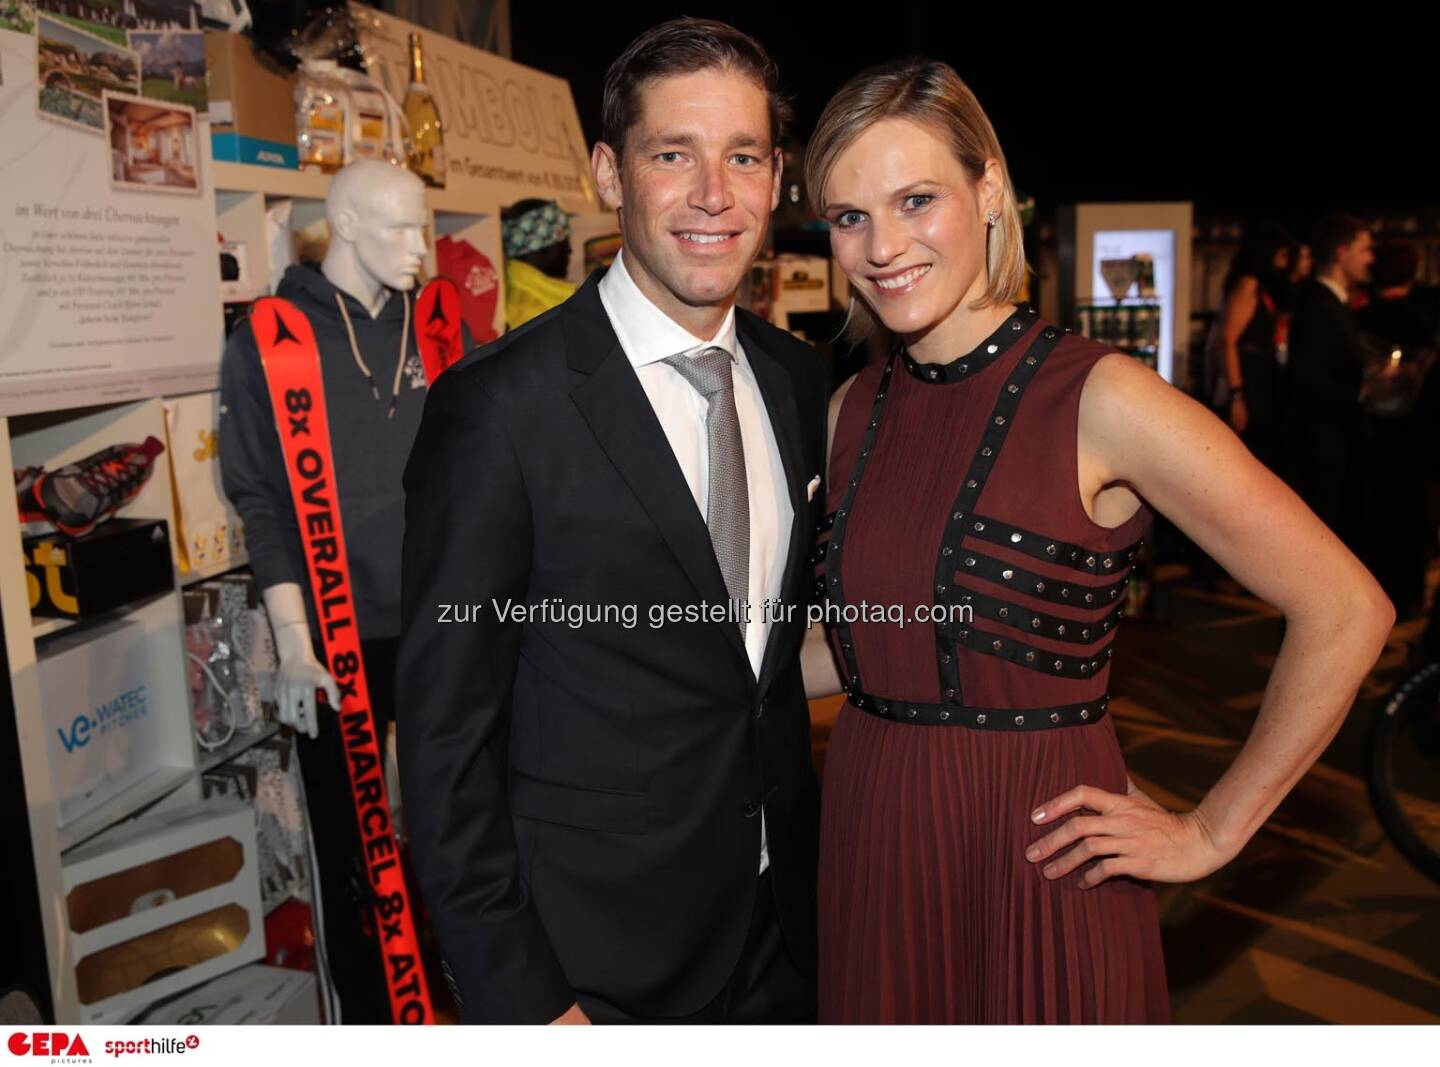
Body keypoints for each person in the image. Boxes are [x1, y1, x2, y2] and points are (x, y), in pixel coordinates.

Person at [799, 59, 1394, 1024]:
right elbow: (867, 640)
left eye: (916, 199)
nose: (882, 245)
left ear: (989, 190)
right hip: (873, 834)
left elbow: (1347, 607)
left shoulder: (1102, 397)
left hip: (1041, 854)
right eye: (849, 215)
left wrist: (1209, 830)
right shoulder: (851, 409)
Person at [397, 17, 827, 1024]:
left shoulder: (797, 381)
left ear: (775, 179)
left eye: (744, 157)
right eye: (672, 154)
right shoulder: (499, 408)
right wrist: (524, 998)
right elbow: (445, 739)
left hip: (782, 939)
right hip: (591, 967)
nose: (713, 194)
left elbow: (755, 666)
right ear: (607, 172)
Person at [219, 160, 439, 1022]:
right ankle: (373, 1026)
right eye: (399, 230)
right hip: (334, 638)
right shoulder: (270, 338)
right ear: (344, 225)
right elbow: (260, 498)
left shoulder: (441, 324)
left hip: (440, 625)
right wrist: (294, 638)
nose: (421, 249)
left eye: (422, 227)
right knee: (353, 856)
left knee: (457, 832)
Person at [1283, 213, 1373, 544]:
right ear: (1340, 252)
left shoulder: (1331, 303)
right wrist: (1364, 390)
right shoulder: (1318, 305)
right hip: (1323, 443)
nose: (1370, 258)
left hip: (1332, 440)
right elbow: (1309, 379)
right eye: (1364, 249)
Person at [1204, 224, 1291, 470]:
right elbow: (1227, 340)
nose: (1284, 264)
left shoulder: (1257, 287)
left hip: (1256, 379)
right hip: (1249, 379)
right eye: (1282, 256)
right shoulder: (1248, 286)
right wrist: (1237, 395)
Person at [501, 198, 577, 329]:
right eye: (564, 242)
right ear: (542, 247)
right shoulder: (531, 314)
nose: (570, 250)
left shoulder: (543, 303)